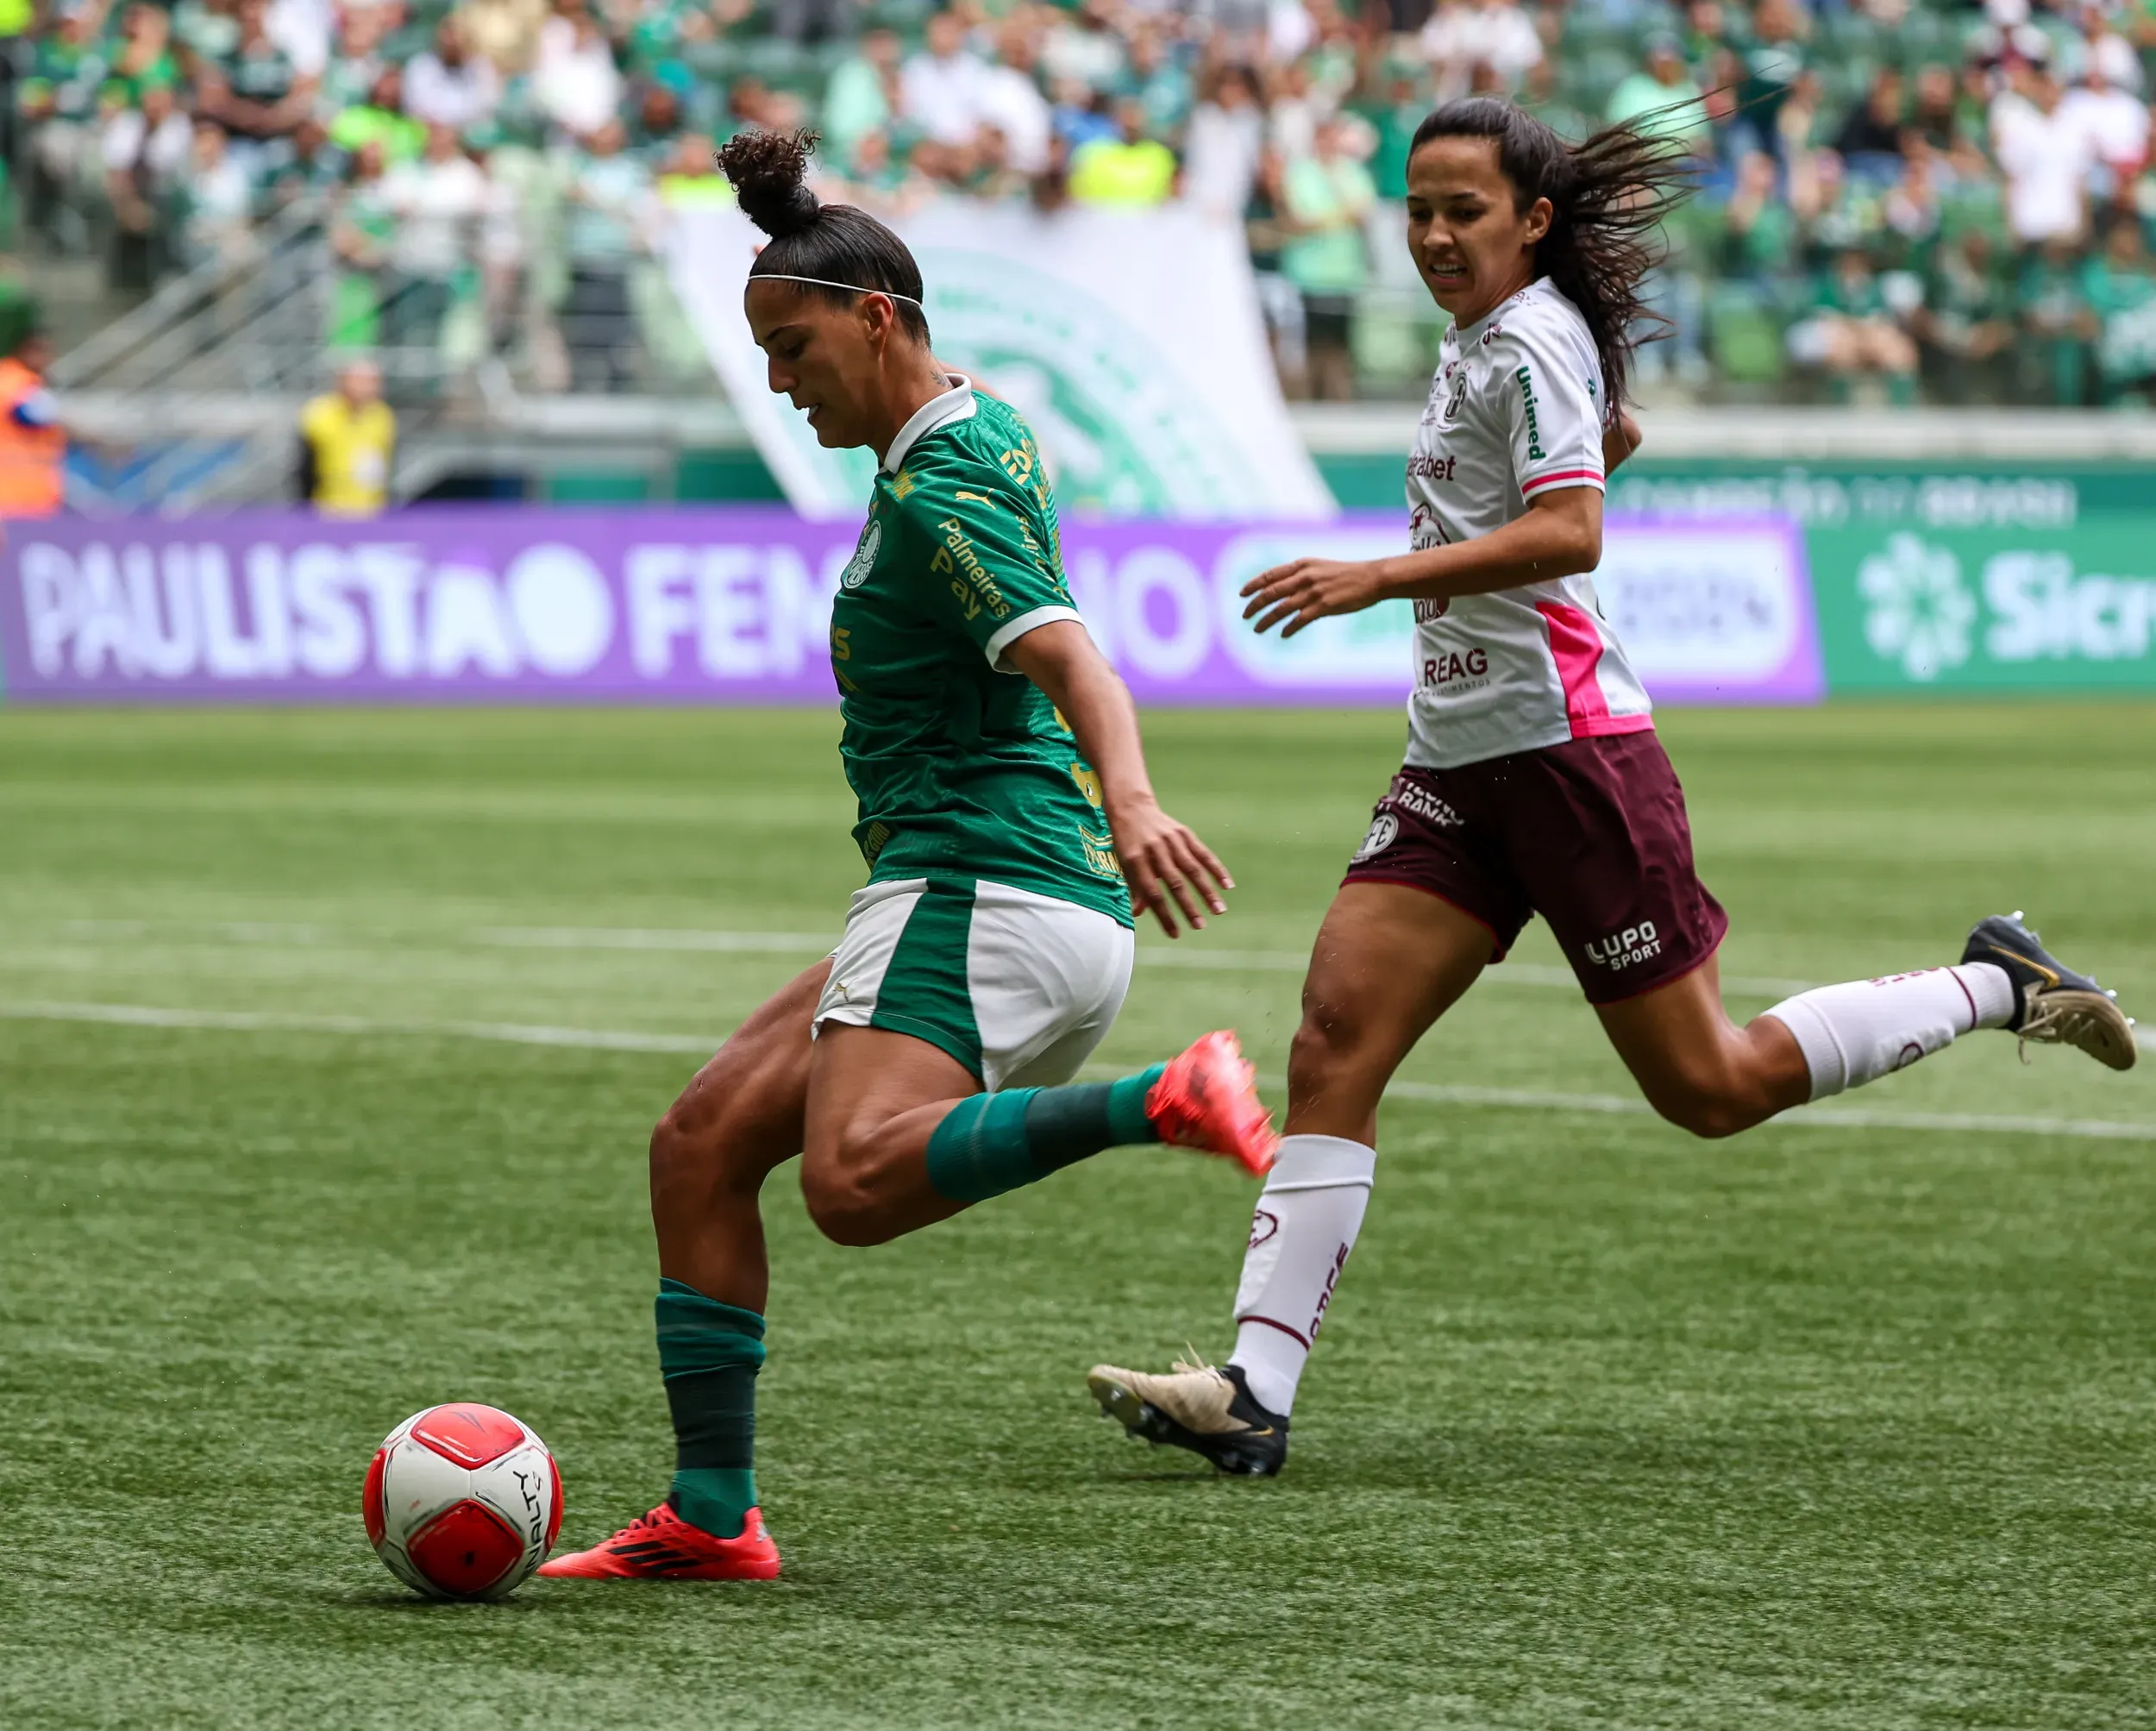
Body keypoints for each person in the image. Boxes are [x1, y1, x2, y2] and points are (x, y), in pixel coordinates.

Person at [1085, 96, 2138, 1478]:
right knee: (1334, 1037)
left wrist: (1380, 574)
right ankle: (1253, 1392)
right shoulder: (1497, 339)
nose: (1434, 234)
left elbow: (1573, 524)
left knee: (1709, 1084)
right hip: (1458, 761)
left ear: (1532, 220)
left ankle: (1996, 980)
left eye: (1464, 211)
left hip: (1572, 757)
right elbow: (1594, 452)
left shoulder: (1527, 336)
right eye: (1418, 210)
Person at [540, 128, 1279, 1584]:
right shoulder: (972, 426)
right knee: (701, 1144)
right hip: (986, 883)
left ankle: (1163, 1096)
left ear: (877, 319)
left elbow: (1076, 660)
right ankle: (712, 1515)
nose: (780, 382)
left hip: (982, 879)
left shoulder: (942, 488)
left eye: (794, 348)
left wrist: (1134, 800)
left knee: (850, 1185)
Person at [297, 356, 394, 514]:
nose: (370, 388)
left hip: (370, 508)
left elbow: (386, 461)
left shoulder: (382, 416)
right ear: (343, 381)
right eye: (363, 381)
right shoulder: (319, 413)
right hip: (328, 508)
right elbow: (305, 465)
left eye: (375, 381)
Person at [0, 311, 66, 517]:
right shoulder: (13, 379)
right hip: (15, 498)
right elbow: (30, 414)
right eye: (43, 351)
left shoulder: (23, 380)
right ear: (26, 350)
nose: (49, 359)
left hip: (30, 498)